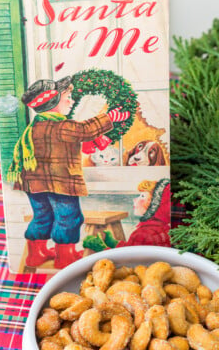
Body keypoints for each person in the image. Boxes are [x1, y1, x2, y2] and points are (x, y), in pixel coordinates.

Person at [8, 76, 130, 269]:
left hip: (33, 182)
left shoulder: (35, 127)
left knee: (42, 215)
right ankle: (65, 257)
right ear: (53, 103)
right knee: (68, 217)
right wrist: (109, 117)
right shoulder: (62, 126)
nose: (71, 101)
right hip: (60, 183)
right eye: (67, 97)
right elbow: (84, 130)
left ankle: (36, 254)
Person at [83, 178, 171, 251]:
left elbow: (126, 260)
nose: (135, 200)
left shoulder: (142, 234)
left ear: (155, 205)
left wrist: (101, 248)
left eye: (142, 196)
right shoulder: (165, 229)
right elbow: (132, 249)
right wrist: (114, 243)